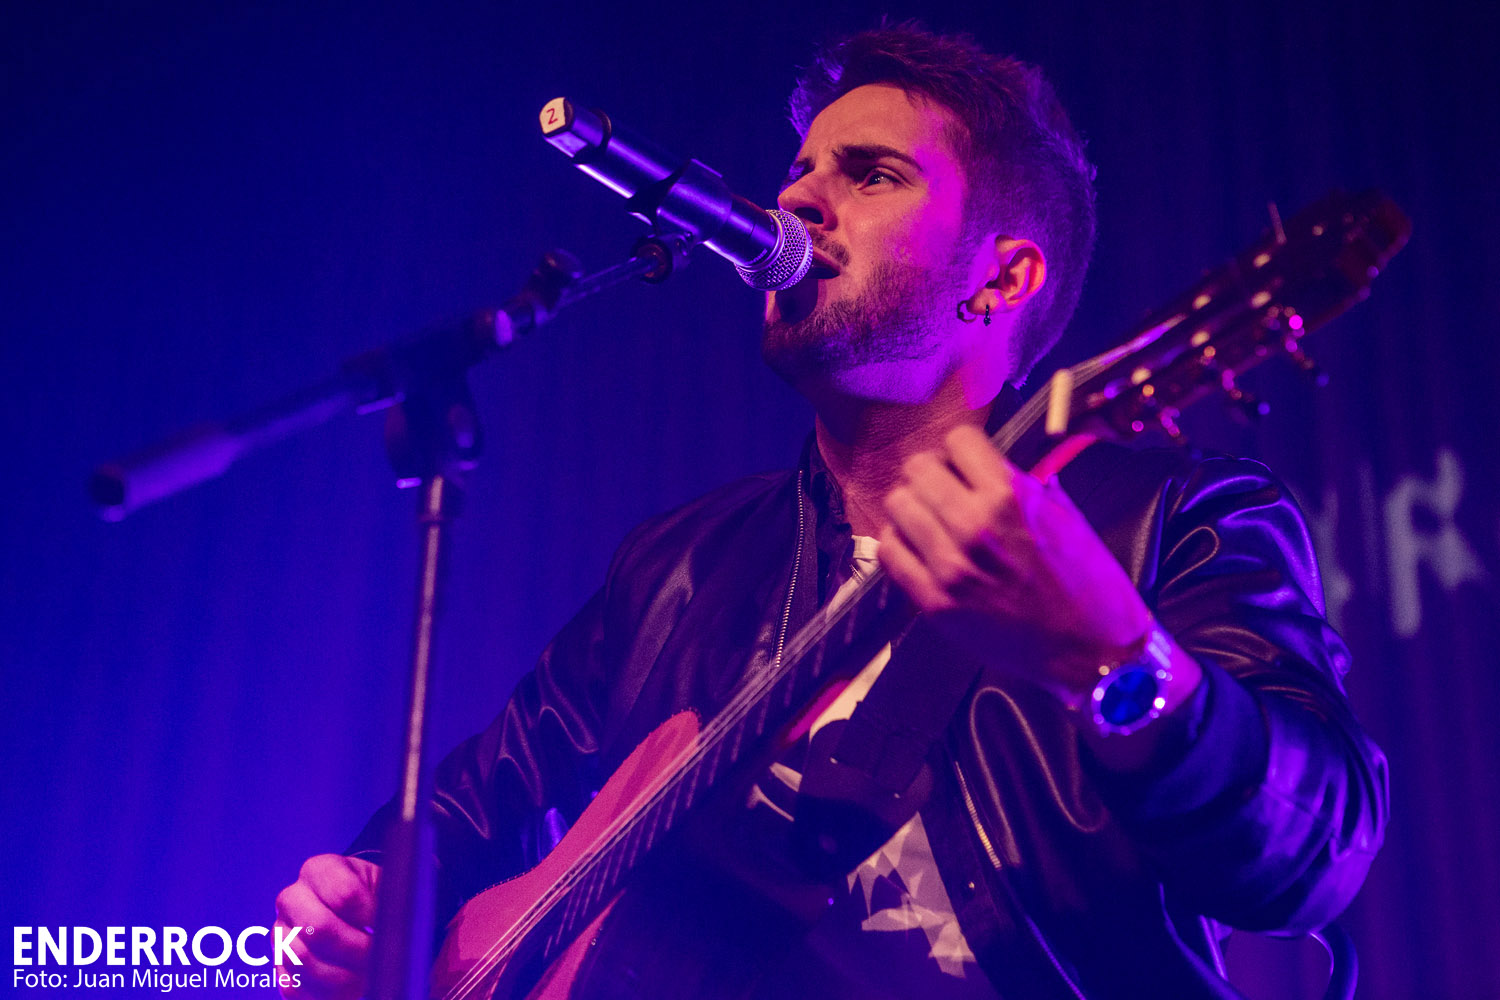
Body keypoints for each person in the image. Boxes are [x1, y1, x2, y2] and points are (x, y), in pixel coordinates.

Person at [274, 24, 1388, 1000]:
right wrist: (363, 898)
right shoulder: (679, 566)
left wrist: (1111, 658)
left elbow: (1317, 852)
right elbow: (474, 812)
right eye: (801, 169)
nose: (796, 201)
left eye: (872, 174)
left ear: (1000, 281)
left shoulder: (1174, 520)